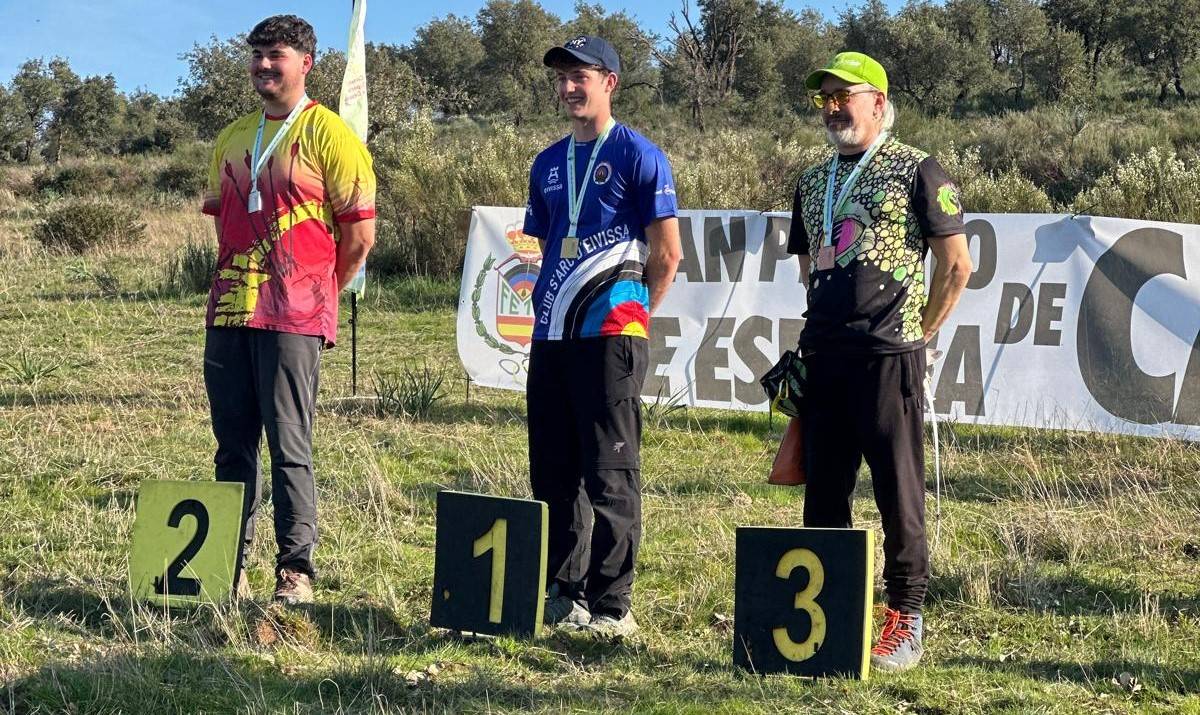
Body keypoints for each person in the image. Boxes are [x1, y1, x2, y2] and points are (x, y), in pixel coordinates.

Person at [787, 52, 972, 671]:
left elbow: (957, 265)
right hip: (826, 357)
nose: (834, 107)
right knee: (824, 494)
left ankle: (906, 617)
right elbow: (807, 262)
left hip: (890, 357)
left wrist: (919, 332)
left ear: (879, 103)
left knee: (898, 490)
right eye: (826, 98)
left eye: (846, 95)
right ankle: (832, 612)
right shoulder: (812, 179)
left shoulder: (918, 168)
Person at [201, 15, 376, 604]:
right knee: (232, 444)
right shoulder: (229, 137)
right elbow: (224, 222)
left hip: (295, 314)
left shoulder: (331, 135)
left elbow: (360, 236)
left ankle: (295, 569)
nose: (263, 65)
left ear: (306, 62)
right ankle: (226, 562)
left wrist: (322, 292)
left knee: (289, 442)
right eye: (255, 55)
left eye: (275, 54)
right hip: (230, 311)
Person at [522, 35, 682, 637]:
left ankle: (613, 603)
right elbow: (545, 246)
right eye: (561, 78)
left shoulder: (641, 155)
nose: (568, 88)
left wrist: (634, 316)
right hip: (552, 336)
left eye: (580, 77)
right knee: (554, 470)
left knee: (610, 471)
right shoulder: (545, 162)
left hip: (613, 335)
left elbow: (667, 254)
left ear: (609, 82)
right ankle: (565, 591)